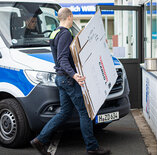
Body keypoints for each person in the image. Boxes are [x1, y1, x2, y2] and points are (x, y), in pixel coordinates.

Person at [30, 8, 111, 155]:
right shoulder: (66, 33)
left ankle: (40, 140)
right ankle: (92, 147)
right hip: (67, 79)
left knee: (65, 112)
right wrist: (74, 75)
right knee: (84, 112)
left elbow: (61, 57)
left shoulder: (55, 32)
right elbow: (62, 59)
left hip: (61, 78)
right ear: (70, 16)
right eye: (72, 17)